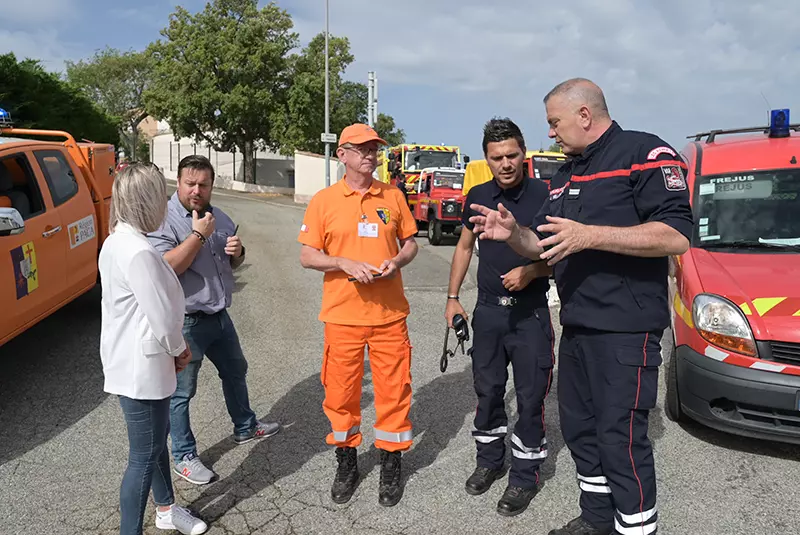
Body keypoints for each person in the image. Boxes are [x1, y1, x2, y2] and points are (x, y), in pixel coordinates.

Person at [469, 78, 693, 535]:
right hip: (577, 327)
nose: (550, 133)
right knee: (581, 432)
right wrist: (512, 233)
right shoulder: (564, 175)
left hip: (625, 333)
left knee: (621, 440)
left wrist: (590, 235)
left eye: (555, 123)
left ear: (584, 115)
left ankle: (634, 527)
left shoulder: (645, 154)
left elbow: (676, 235)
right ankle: (597, 521)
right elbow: (542, 245)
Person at [298, 123, 419, 507]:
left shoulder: (394, 196)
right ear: (343, 155)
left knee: (393, 393)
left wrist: (398, 261)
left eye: (375, 149)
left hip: (389, 316)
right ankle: (347, 462)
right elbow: (307, 255)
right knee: (341, 394)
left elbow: (411, 242)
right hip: (343, 317)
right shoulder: (324, 201)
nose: (370, 155)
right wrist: (343, 263)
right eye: (362, 149)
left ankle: (390, 464)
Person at [147, 155, 280, 486]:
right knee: (181, 392)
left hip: (219, 314)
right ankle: (184, 455)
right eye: (190, 183)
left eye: (203, 184)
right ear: (177, 182)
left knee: (236, 371)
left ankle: (245, 426)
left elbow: (230, 263)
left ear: (211, 186)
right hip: (186, 321)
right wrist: (199, 236)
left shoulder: (219, 216)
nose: (196, 190)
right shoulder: (163, 220)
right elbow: (166, 269)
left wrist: (239, 253)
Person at [445, 118, 555, 517]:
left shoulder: (547, 195)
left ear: (524, 153)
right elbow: (462, 248)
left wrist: (533, 270)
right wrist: (453, 297)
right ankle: (490, 460)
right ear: (486, 159)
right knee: (488, 390)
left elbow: (565, 257)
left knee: (529, 397)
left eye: (512, 155)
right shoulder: (477, 196)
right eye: (497, 158)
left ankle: (524, 475)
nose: (505, 163)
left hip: (530, 315)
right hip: (489, 312)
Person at [99, 163, 208, 535]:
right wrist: (180, 348)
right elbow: (160, 316)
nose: (164, 203)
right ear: (146, 200)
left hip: (131, 361)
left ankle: (166, 509)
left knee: (153, 442)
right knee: (143, 457)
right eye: (159, 195)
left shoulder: (117, 241)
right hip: (142, 367)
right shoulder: (138, 252)